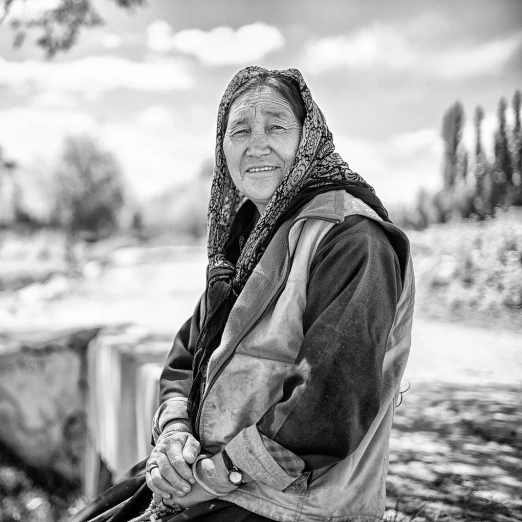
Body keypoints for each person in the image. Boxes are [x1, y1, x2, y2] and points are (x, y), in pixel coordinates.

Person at [72, 66, 414, 522]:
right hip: (208, 481)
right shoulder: (248, 240)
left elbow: (331, 405)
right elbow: (188, 354)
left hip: (290, 504)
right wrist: (174, 434)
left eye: (276, 126)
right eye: (240, 131)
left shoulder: (352, 239)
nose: (257, 144)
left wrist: (214, 475)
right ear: (223, 146)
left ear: (308, 138)